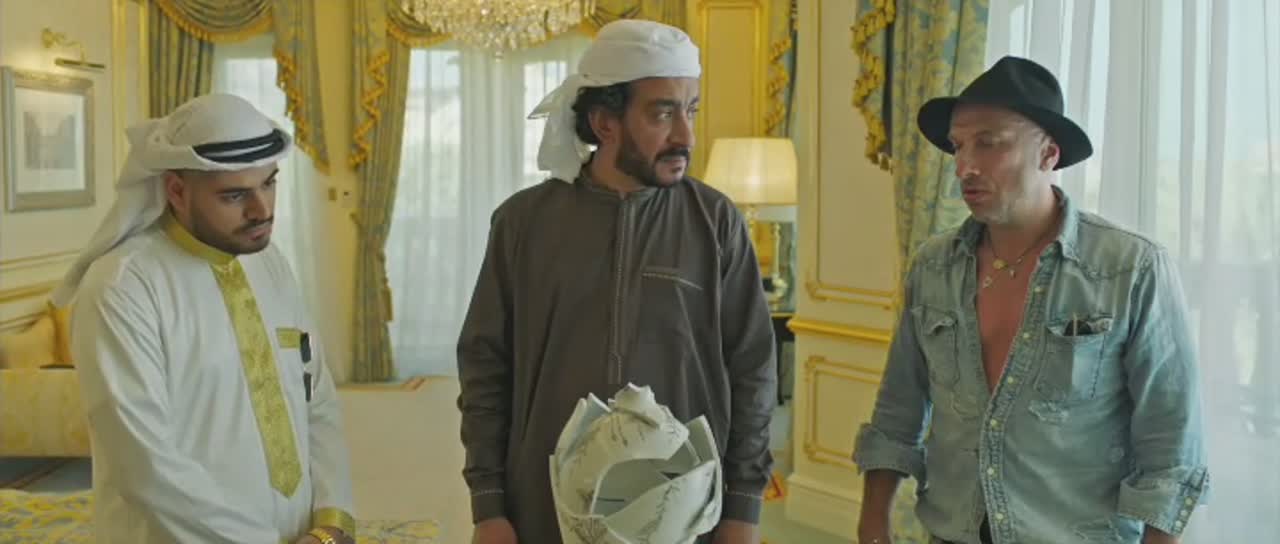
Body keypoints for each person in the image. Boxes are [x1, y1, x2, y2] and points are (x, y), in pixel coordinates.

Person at [852, 56, 1209, 544]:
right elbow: (899, 406)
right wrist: (873, 524)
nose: (965, 166)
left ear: (1048, 154)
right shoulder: (934, 266)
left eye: (989, 142)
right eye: (958, 146)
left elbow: (1171, 441)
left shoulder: (1131, 268)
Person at [456, 18, 778, 544]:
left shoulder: (715, 222)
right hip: (545, 506)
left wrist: (743, 505)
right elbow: (485, 367)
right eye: (662, 113)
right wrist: (487, 503)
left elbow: (753, 370)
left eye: (691, 110)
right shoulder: (523, 223)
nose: (685, 136)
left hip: (684, 510)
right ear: (605, 122)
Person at [54, 94, 355, 544]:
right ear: (176, 191)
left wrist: (331, 522)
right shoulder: (122, 287)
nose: (262, 210)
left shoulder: (269, 262)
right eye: (235, 195)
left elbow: (317, 401)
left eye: (269, 184)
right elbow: (145, 463)